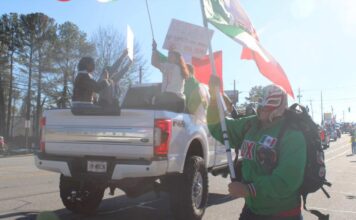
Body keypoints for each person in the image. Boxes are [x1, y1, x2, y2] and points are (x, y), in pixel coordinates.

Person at [207, 76, 306, 220]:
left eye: (270, 103)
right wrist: (214, 98)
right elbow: (219, 127)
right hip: (252, 210)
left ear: (280, 106)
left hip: (283, 214)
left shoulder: (292, 135)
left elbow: (286, 181)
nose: (263, 106)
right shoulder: (251, 124)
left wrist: (249, 189)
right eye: (262, 101)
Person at [151, 40, 189, 113]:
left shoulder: (169, 66)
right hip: (181, 102)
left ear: (177, 58)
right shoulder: (183, 70)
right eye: (168, 55)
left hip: (169, 99)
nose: (168, 57)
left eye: (171, 55)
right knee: (175, 124)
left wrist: (154, 49)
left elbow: (154, 62)